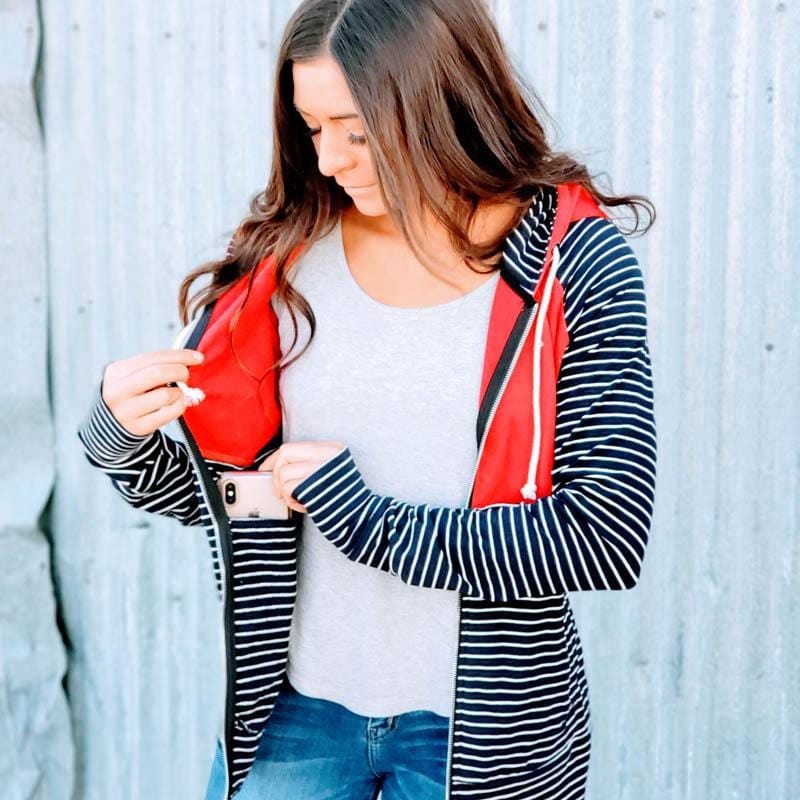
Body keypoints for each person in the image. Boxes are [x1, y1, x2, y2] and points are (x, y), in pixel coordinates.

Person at [76, 0, 657, 798]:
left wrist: (366, 521)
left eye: (356, 130)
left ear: (440, 101)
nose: (328, 160)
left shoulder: (572, 264)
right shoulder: (287, 256)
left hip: (481, 735)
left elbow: (604, 536)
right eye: (312, 128)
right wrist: (118, 434)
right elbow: (231, 499)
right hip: (292, 719)